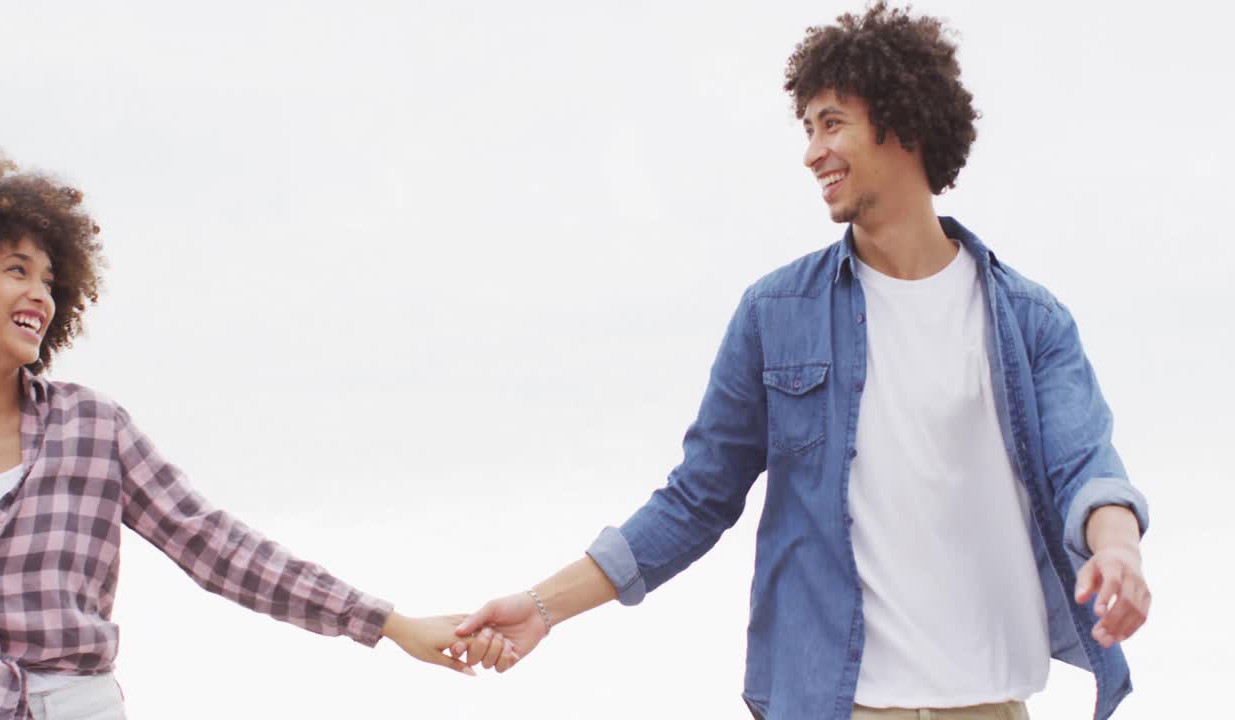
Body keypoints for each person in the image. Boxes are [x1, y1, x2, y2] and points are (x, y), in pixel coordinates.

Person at [452, 3, 1152, 719]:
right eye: (808, 127)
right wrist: (544, 606)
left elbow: (1086, 467)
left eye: (831, 123)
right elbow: (696, 499)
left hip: (988, 706)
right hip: (830, 705)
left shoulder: (1029, 322)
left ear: (904, 125)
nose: (813, 151)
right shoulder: (776, 314)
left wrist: (1119, 549)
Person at [0, 152, 474, 720]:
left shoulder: (92, 428)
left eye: (50, 281)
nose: (40, 295)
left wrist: (388, 622)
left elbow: (216, 546)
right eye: (16, 270)